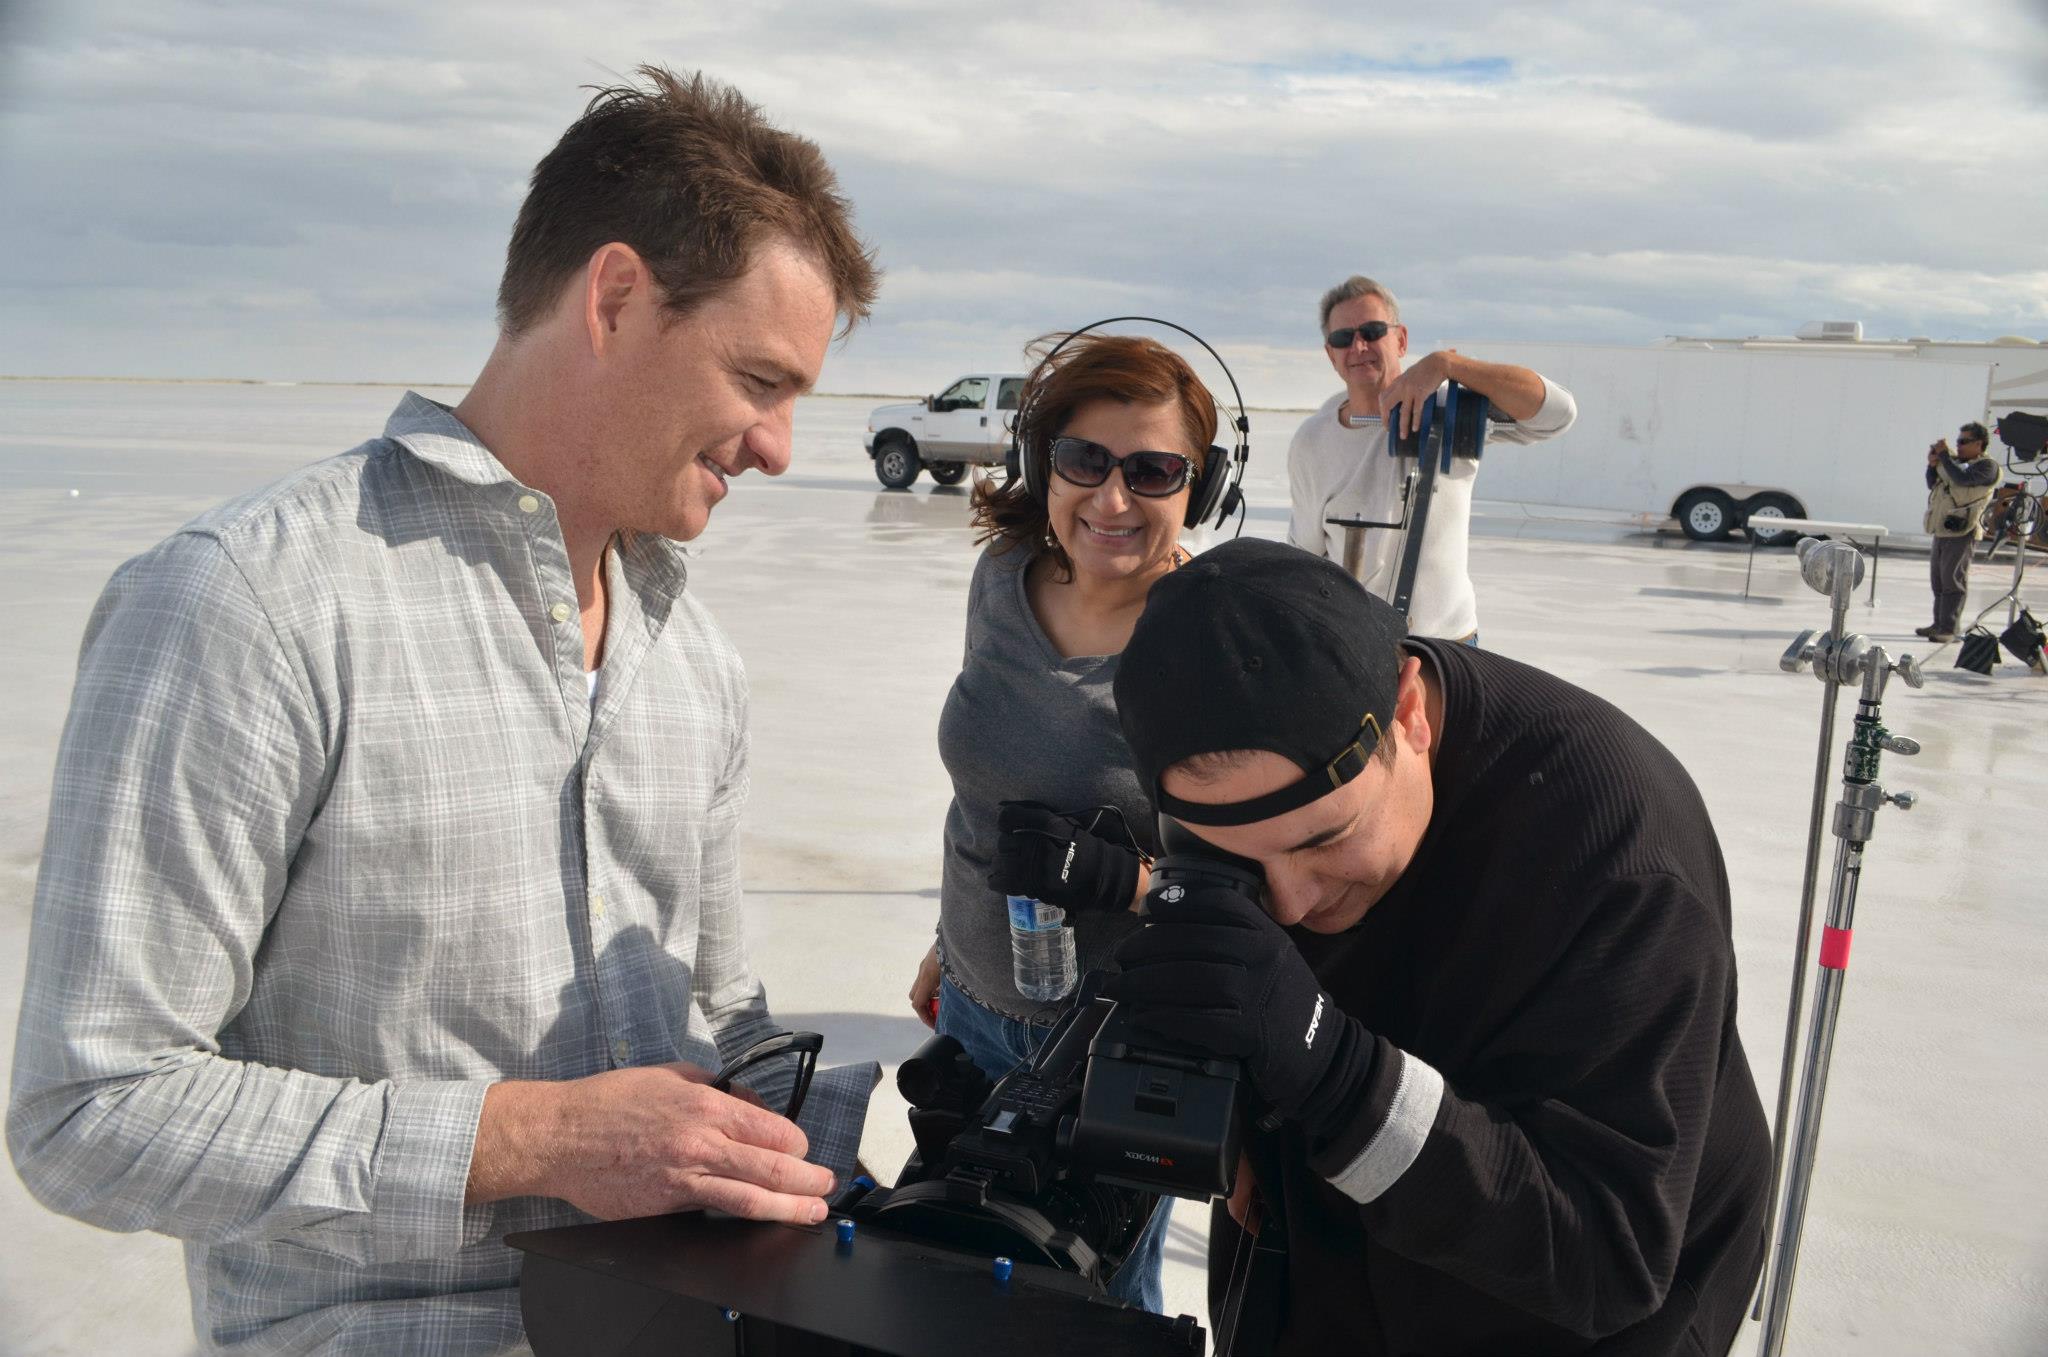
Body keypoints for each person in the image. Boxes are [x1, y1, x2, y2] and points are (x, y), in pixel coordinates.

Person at [8, 68, 880, 1354]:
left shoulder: (692, 656)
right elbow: (89, 1108)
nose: (782, 447)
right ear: (617, 298)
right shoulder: (250, 600)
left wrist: (829, 1160)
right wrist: (533, 1137)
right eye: (759, 379)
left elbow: (721, 1008)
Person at [1105, 537, 1771, 1355]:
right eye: (1235, 859)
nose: (1290, 900)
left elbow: (1610, 1258)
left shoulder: (1618, 864)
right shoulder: (1232, 764)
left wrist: (1336, 1076)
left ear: (1409, 712)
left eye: (1326, 838)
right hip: (1335, 1236)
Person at [905, 332, 1231, 1312]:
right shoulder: (1000, 579)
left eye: (1151, 470)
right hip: (969, 1006)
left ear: (1200, 488)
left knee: (1093, 1308)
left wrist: (1120, 879)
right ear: (1039, 461)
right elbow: (981, 784)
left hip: (1116, 1044)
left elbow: (1258, 890)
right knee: (956, 1280)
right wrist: (943, 940)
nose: (1111, 498)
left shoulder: (1209, 637)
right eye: (1084, 460)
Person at [1287, 275, 1578, 642]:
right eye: (1342, 338)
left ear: (1401, 340)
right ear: (1331, 354)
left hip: (1450, 646)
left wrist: (1448, 365)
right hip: (1359, 646)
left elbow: (1557, 414)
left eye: (1372, 331)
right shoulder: (1313, 440)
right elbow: (1307, 555)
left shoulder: (1446, 410)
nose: (1358, 346)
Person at [1919, 421, 2003, 642]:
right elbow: (1933, 484)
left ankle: (1949, 629)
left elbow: (1962, 479)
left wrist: (1945, 455)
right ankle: (1938, 624)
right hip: (1942, 528)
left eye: (1964, 441)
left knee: (1953, 580)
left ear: (1979, 443)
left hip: (1962, 532)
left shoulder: (1987, 467)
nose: (1960, 446)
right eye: (1958, 441)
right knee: (1938, 580)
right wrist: (1933, 463)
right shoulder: (1955, 463)